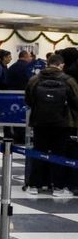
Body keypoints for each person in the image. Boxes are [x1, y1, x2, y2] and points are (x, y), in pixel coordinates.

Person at [24, 52, 78, 197]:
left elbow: (28, 100)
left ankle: (34, 185)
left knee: (38, 152)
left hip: (39, 122)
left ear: (47, 63)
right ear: (62, 65)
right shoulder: (68, 80)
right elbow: (76, 101)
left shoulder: (35, 79)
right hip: (63, 123)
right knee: (59, 154)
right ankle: (58, 187)